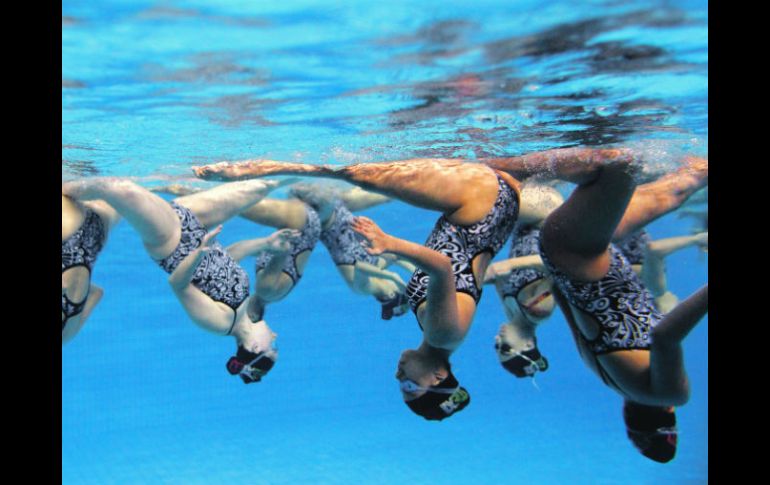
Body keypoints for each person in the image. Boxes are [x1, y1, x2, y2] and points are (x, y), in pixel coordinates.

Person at [192, 157, 522, 420]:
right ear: (438, 376)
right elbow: (442, 266)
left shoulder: (440, 335)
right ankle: (270, 166)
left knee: (370, 176)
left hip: (486, 206)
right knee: (357, 173)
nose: (398, 378)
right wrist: (390, 243)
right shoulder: (443, 334)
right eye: (409, 386)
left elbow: (454, 266)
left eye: (401, 387)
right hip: (478, 206)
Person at [485, 148, 708, 463]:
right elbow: (568, 302)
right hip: (573, 253)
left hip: (582, 250)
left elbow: (665, 336)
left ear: (669, 416)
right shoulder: (608, 375)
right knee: (678, 186)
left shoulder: (670, 394)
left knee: (621, 164)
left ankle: (495, 165)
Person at [485, 159, 707, 379]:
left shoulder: (511, 309)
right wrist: (509, 265)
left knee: (488, 187)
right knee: (488, 194)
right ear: (528, 343)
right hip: (548, 217)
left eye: (497, 349)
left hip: (538, 219)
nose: (497, 342)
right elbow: (557, 270)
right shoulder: (538, 309)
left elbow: (496, 276)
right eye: (505, 348)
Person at [62, 177, 291, 384]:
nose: (274, 336)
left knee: (118, 189)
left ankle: (68, 183)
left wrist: (199, 252)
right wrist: (265, 244)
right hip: (194, 224)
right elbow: (228, 258)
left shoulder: (220, 323)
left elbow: (178, 285)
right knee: (263, 185)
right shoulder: (242, 308)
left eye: (273, 347)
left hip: (171, 240)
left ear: (253, 347)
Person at [288, 182, 416, 320]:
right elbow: (397, 256)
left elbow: (360, 267)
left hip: (326, 217)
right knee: (394, 191)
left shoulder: (363, 288)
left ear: (391, 293)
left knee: (303, 187)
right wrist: (418, 277)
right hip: (340, 208)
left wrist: (393, 277)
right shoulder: (377, 267)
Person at [62, 193, 120, 345]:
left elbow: (96, 293)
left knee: (121, 187)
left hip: (94, 238)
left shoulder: (66, 337)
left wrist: (77, 285)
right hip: (68, 231)